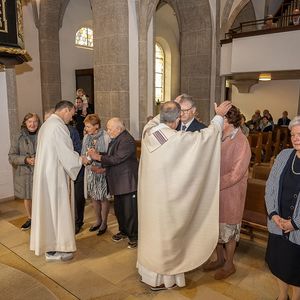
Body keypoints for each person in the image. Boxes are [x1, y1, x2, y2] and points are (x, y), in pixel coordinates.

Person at [137, 100, 232, 291]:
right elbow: (206, 137)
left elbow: (154, 121)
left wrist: (169, 108)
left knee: (152, 236)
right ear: (178, 118)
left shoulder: (149, 132)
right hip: (166, 203)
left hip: (150, 201)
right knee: (166, 238)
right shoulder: (175, 138)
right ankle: (163, 279)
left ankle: (148, 274)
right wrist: (219, 116)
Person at [30, 101, 87, 262]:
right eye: (72, 113)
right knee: (57, 210)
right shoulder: (58, 127)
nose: (72, 117)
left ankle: (51, 248)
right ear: (66, 110)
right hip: (54, 177)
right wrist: (80, 160)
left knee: (49, 211)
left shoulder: (47, 125)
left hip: (47, 174)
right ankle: (59, 247)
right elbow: (66, 154)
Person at [202, 106, 251, 280]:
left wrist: (213, 184)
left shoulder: (241, 141)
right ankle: (219, 258)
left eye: (220, 118)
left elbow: (236, 174)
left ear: (228, 121)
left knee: (229, 230)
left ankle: (229, 264)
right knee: (216, 229)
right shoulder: (219, 137)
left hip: (231, 193)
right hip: (215, 193)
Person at [87, 118, 138, 249]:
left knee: (129, 212)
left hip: (127, 182)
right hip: (118, 181)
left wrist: (97, 157)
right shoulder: (117, 138)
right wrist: (99, 154)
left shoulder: (126, 140)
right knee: (120, 211)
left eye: (110, 129)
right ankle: (124, 231)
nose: (107, 131)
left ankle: (134, 236)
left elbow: (117, 158)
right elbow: (111, 155)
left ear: (119, 128)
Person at [265, 116, 300, 300]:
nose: (295, 138)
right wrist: (273, 214)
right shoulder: (284, 155)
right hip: (278, 224)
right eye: (293, 134)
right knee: (279, 265)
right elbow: (270, 186)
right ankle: (281, 296)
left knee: (296, 271)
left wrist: (295, 223)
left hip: (298, 230)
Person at [44, 108, 85, 235]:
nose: (71, 118)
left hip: (72, 169)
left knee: (76, 199)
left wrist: (78, 160)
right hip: (60, 172)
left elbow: (76, 149)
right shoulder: (54, 128)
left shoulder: (69, 130)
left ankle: (76, 222)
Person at [8, 113, 41, 230]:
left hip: (41, 171)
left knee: (41, 196)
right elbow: (11, 156)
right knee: (28, 197)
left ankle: (41, 219)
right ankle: (31, 218)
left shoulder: (43, 135)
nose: (33, 124)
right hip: (25, 172)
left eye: (35, 121)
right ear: (25, 123)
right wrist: (26, 159)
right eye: (30, 122)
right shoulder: (18, 136)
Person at [82, 114, 110, 235]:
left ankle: (104, 222)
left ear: (96, 126)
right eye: (86, 126)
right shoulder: (86, 138)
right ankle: (98, 220)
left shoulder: (106, 137)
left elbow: (110, 155)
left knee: (103, 198)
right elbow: (83, 154)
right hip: (91, 172)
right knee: (94, 197)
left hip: (103, 172)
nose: (86, 129)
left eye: (88, 126)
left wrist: (103, 169)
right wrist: (88, 165)